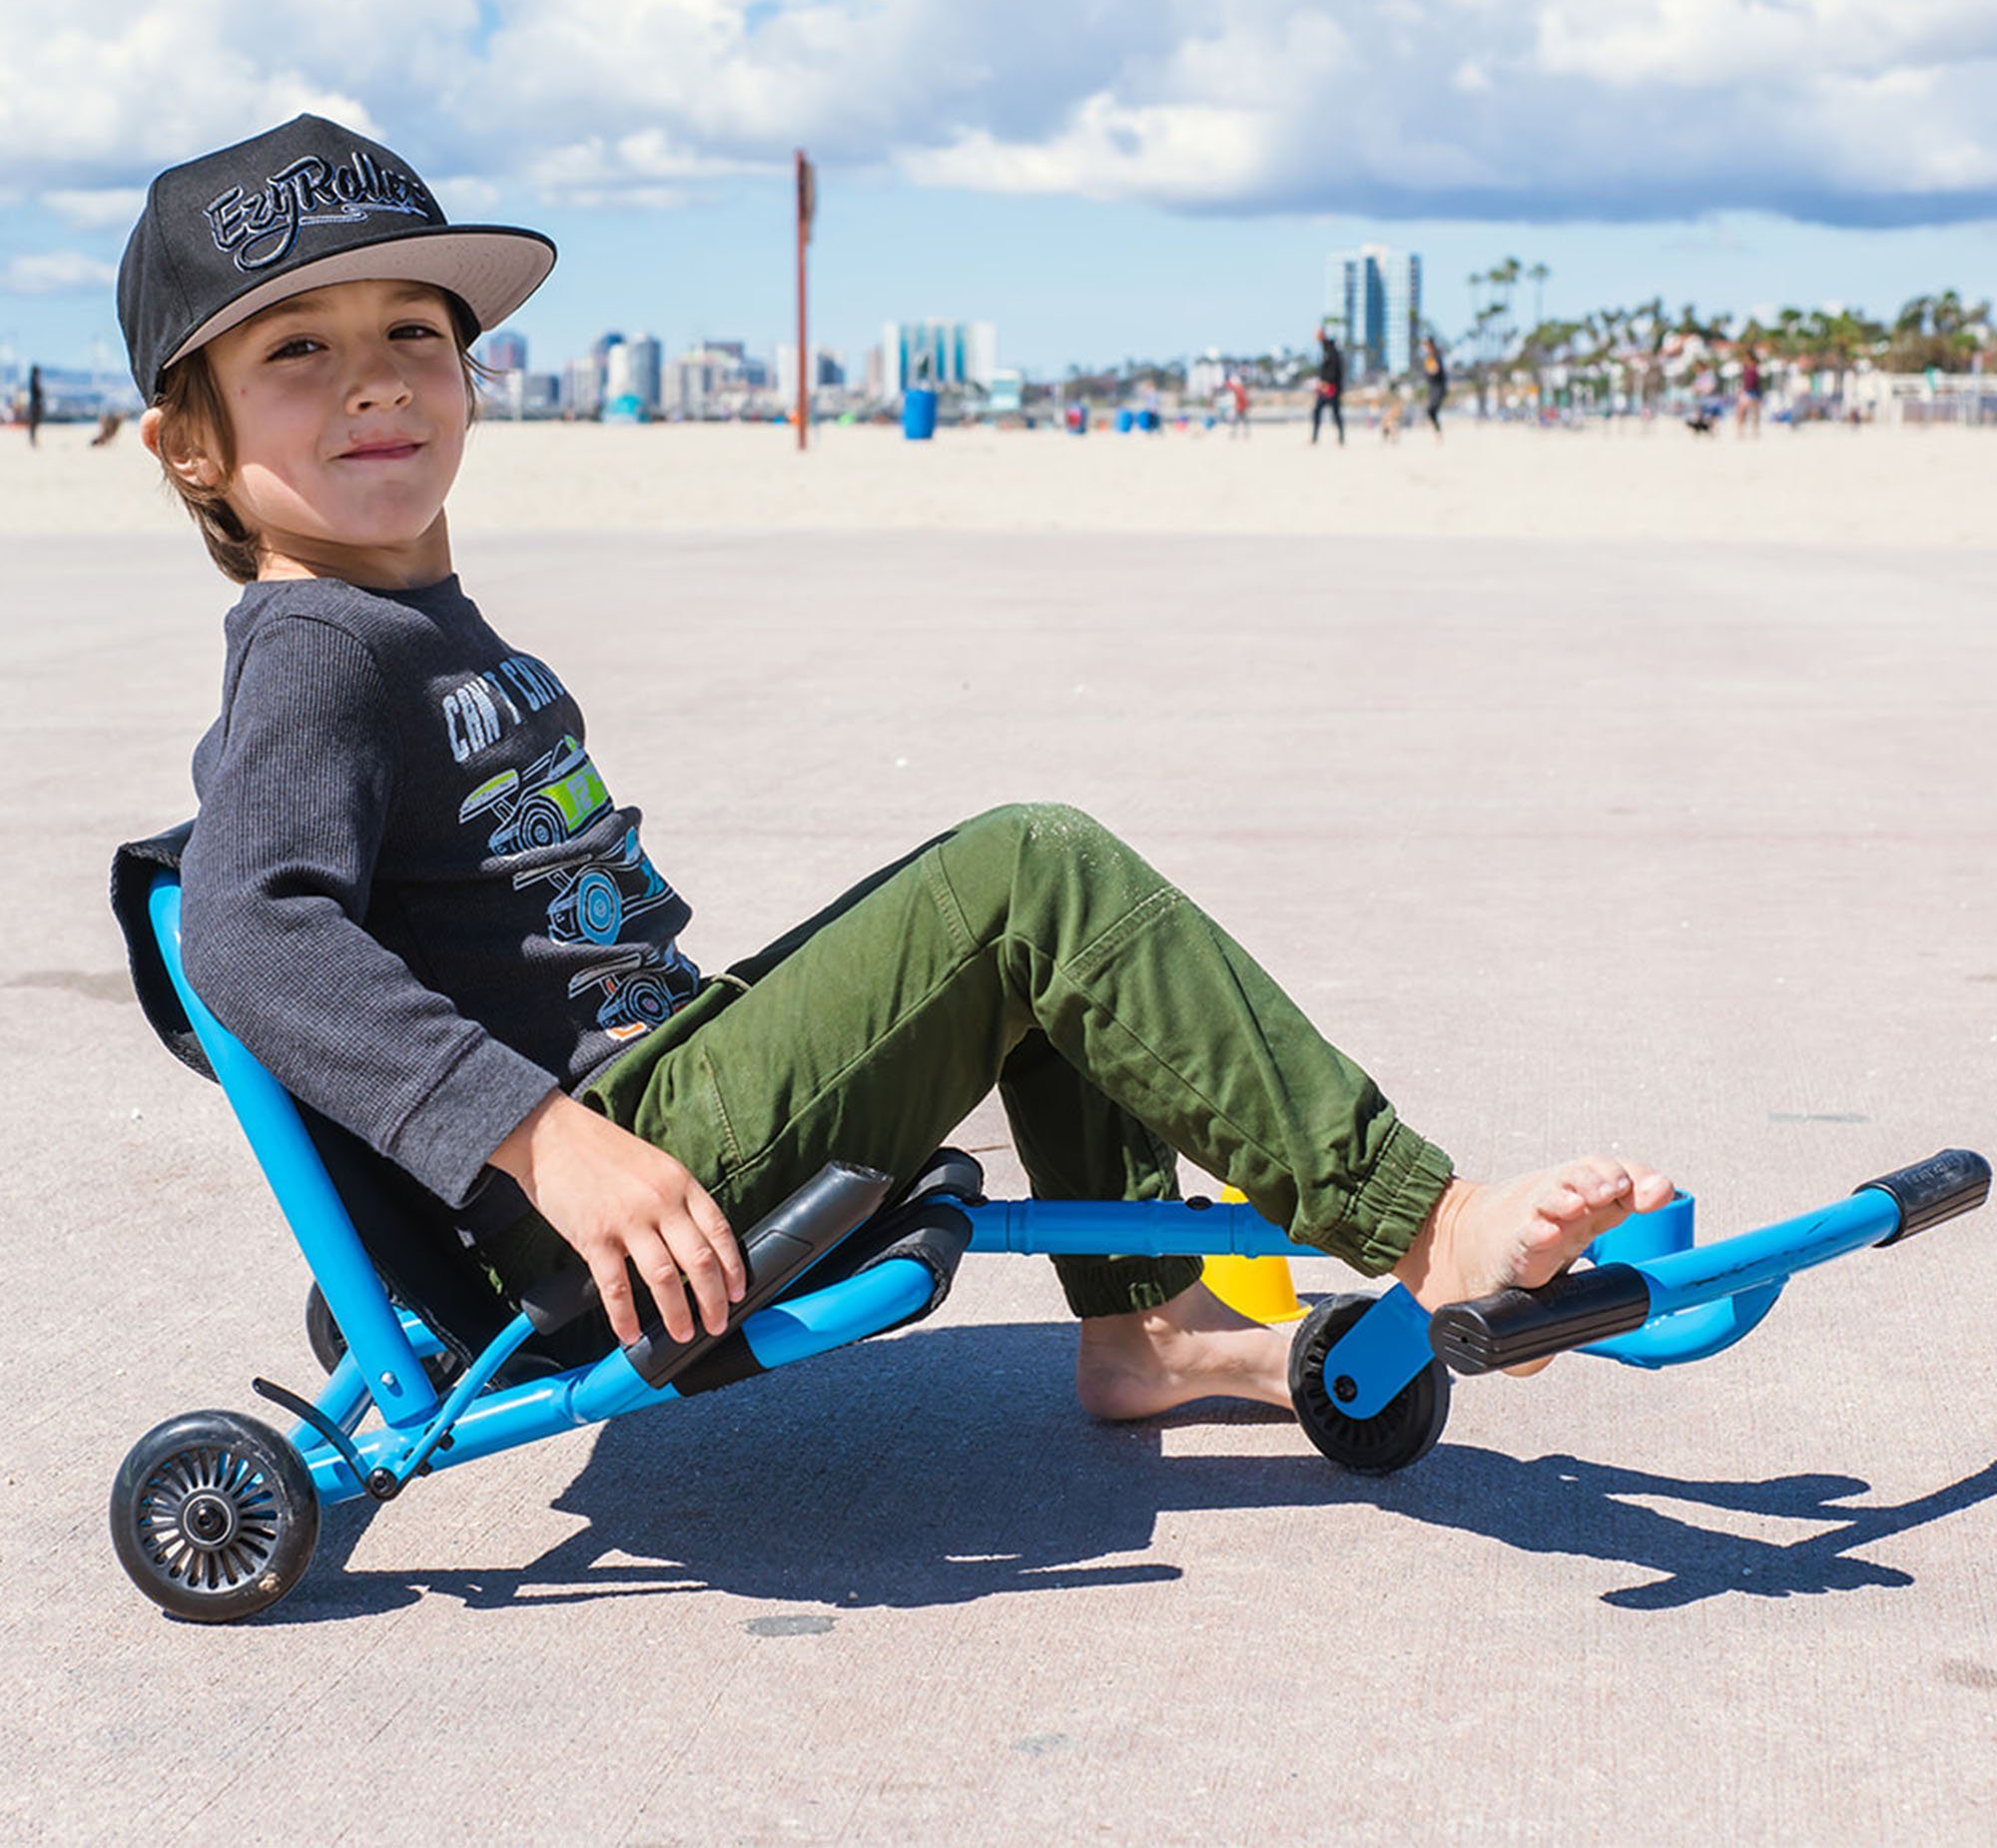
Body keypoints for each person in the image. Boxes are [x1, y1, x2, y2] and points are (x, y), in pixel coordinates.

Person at [121, 115, 1672, 1428]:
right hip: (602, 1177)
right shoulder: (316, 649)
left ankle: (1153, 1329)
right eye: (297, 354)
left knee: (1026, 926)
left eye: (413, 334)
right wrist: (551, 1143)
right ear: (190, 445)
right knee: (1028, 877)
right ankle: (1427, 1223)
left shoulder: (411, 620)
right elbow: (253, 933)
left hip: (658, 1091)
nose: (375, 382)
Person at [1311, 327, 1344, 446]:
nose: (1316, 337)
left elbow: (1335, 370)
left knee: (1335, 413)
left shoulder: (1331, 350)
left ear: (1323, 335)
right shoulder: (1325, 349)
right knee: (1317, 411)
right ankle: (1314, 438)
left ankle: (1341, 438)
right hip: (1325, 387)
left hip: (1331, 388)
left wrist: (1327, 383)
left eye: (1318, 335)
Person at [1422, 335, 1448, 441]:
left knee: (1432, 409)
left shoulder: (1436, 356)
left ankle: (1438, 433)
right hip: (1432, 387)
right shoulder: (1428, 357)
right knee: (1430, 411)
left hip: (1439, 386)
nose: (1425, 347)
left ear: (1431, 345)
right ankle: (1437, 432)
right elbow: (1428, 372)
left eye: (1426, 345)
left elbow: (1437, 371)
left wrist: (1432, 371)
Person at [1736, 347, 1762, 438]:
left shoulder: (1755, 367)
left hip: (1753, 391)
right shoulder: (1745, 367)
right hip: (1747, 391)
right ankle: (1741, 431)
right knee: (1742, 411)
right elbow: (1744, 380)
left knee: (1754, 413)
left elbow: (1755, 381)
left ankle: (1754, 431)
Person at [1224, 368, 1249, 439]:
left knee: (1239, 420)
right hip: (1240, 407)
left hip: (1240, 407)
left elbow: (1230, 386)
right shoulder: (1240, 388)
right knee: (1242, 420)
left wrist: (1229, 382)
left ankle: (1236, 433)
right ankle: (1242, 433)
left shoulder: (1239, 388)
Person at [26, 362, 44, 447]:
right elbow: (39, 392)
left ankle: (33, 440)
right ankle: (33, 440)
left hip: (34, 404)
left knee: (33, 423)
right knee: (34, 423)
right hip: (35, 404)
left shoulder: (32, 379)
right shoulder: (34, 380)